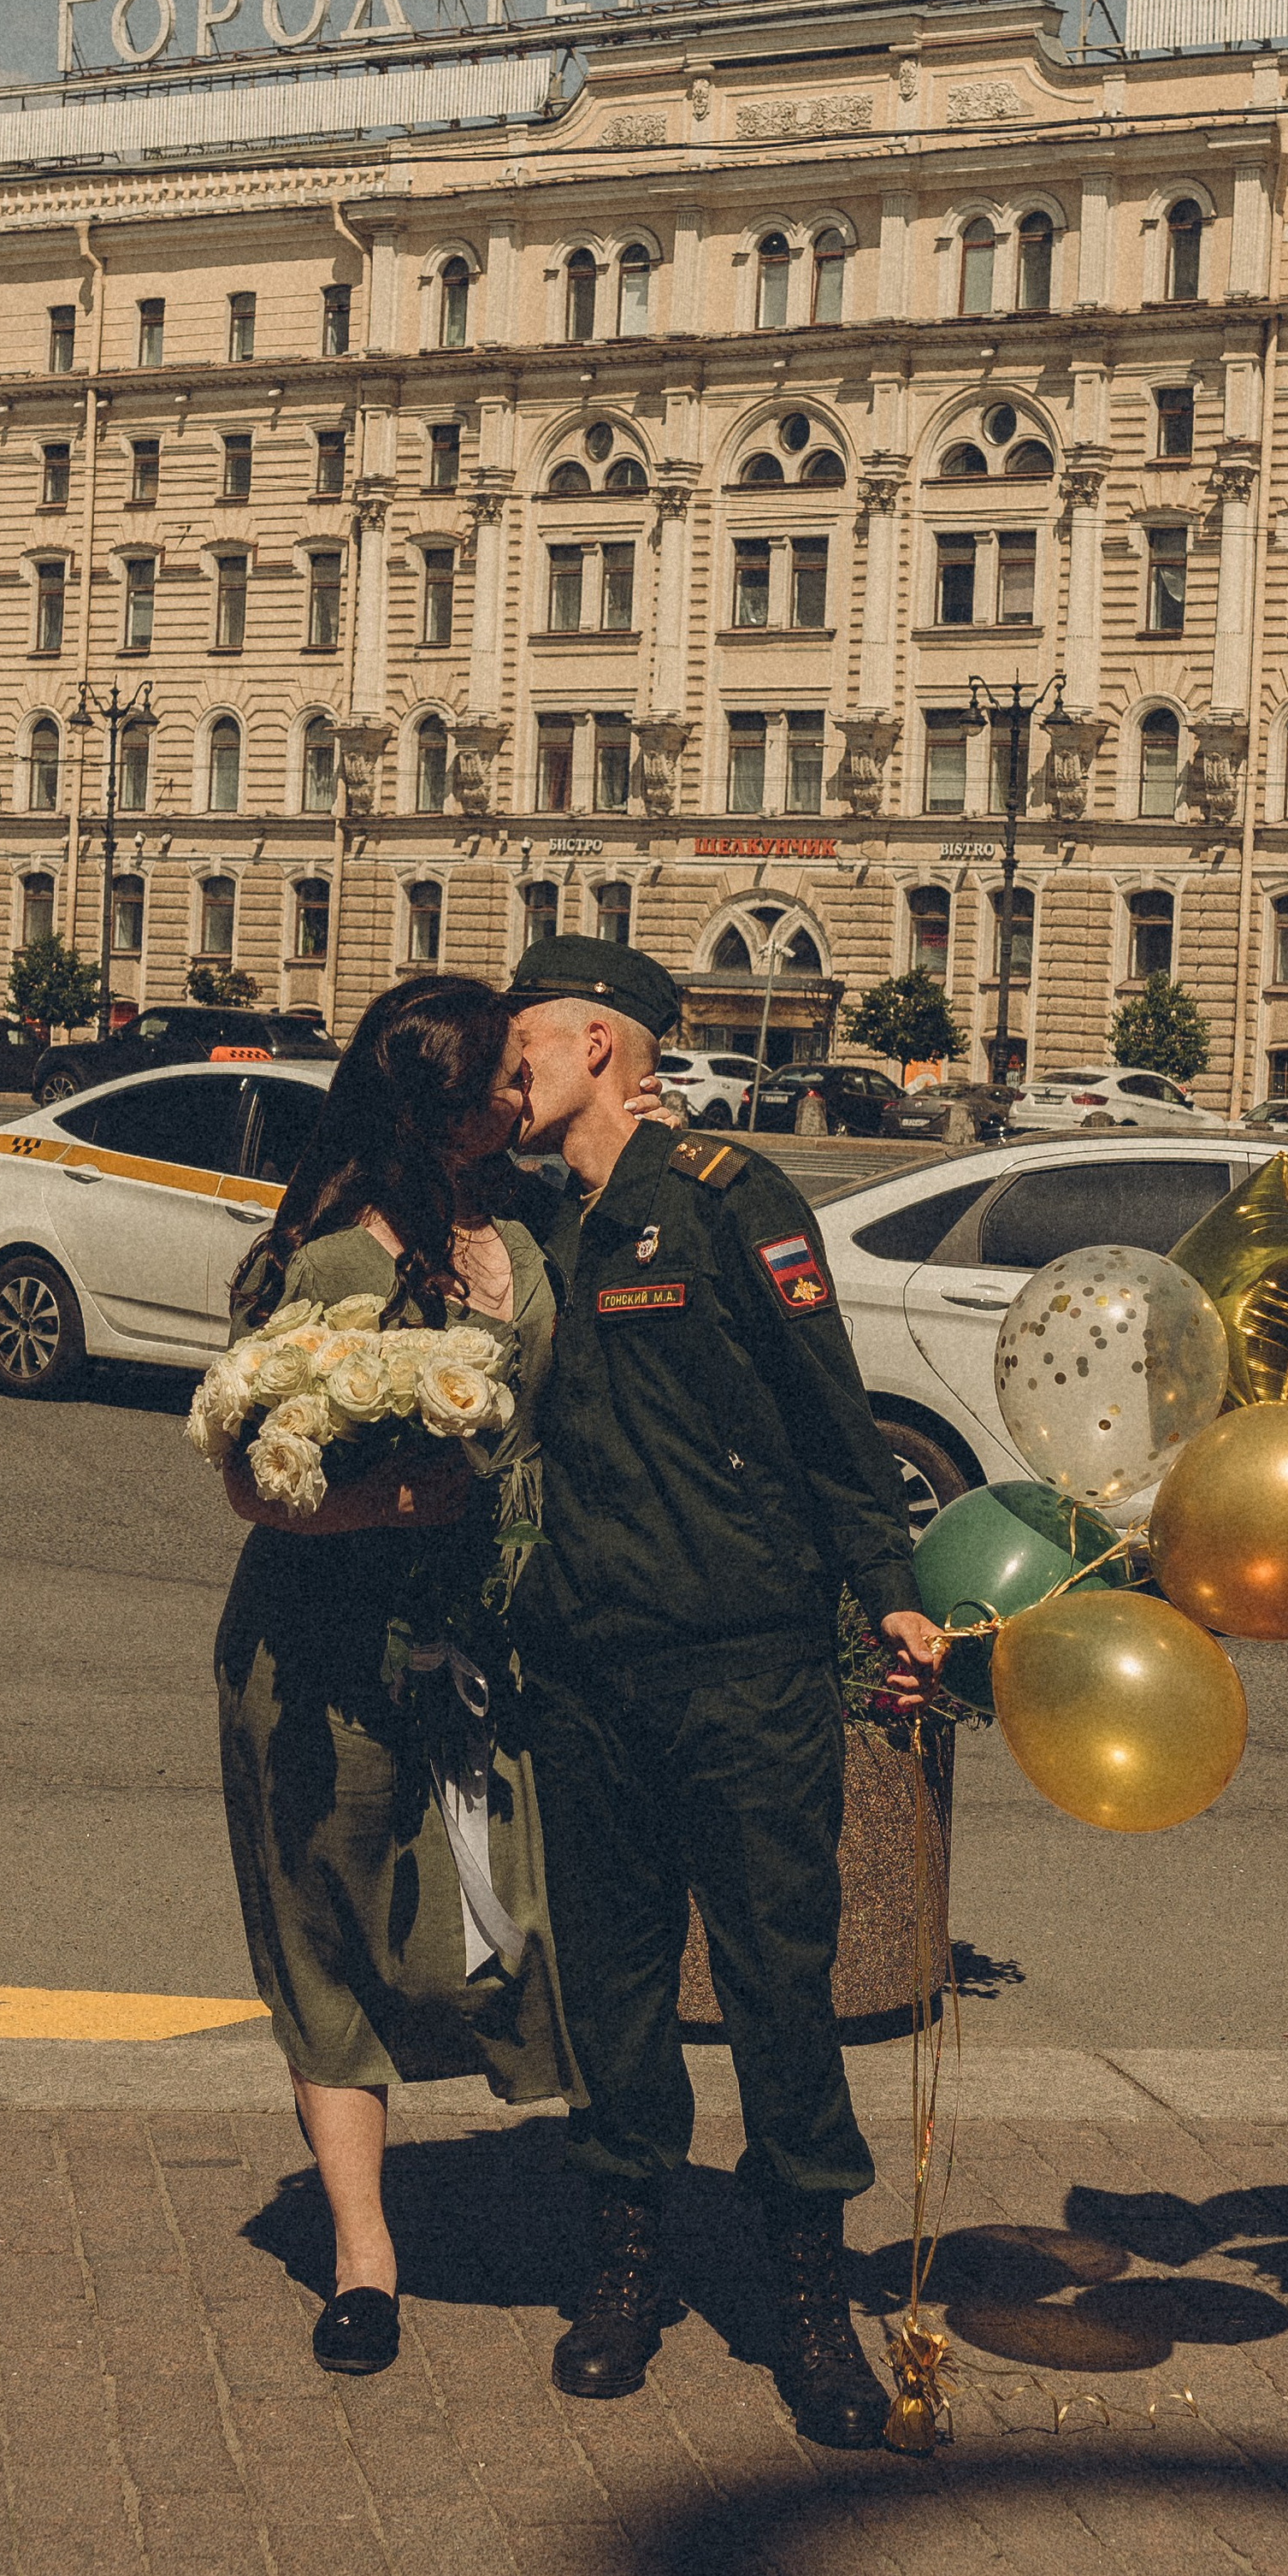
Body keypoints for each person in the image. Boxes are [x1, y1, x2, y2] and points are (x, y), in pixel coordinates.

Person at [504, 934, 946, 2449]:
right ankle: (625, 2265)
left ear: (602, 1051)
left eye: (528, 1054)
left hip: (741, 1664)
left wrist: (890, 1589)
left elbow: (832, 1414)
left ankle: (806, 2294)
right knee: (613, 1987)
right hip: (580, 1665)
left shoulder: (725, 1199)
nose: (512, 1082)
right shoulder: (520, 1218)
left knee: (777, 1982)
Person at [213, 974, 579, 2379]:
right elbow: (253, 1477)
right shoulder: (325, 1264)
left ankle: (566, 2178)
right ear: (440, 1105)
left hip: (483, 1644)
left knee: (504, 1921)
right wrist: (398, 1508)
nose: (518, 1095)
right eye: (499, 1078)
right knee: (324, 1936)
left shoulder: (524, 1224)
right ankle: (365, 2255)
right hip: (320, 1655)